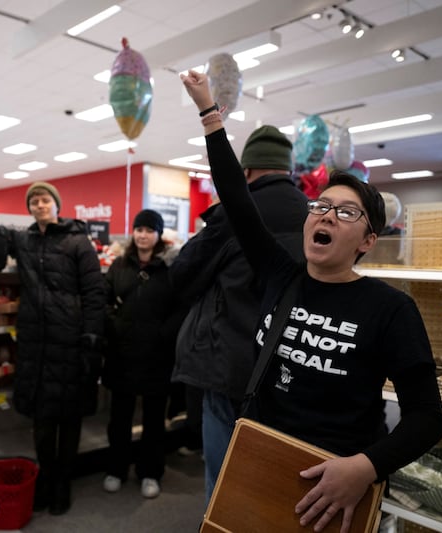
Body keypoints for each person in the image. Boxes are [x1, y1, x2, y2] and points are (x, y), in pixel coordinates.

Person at [181, 70, 442, 533]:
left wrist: (366, 467)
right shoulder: (281, 275)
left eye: (346, 212)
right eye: (320, 206)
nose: (326, 215)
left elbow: (426, 418)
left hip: (338, 481)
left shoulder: (389, 309)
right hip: (262, 458)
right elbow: (238, 200)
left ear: (367, 240)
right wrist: (209, 113)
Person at [170, 124, 308, 505]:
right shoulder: (314, 216)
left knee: (225, 481)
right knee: (276, 485)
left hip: (229, 362)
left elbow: (182, 274)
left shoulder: (235, 214)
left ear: (246, 170)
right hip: (290, 367)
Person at [0, 181, 106, 516]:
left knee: (69, 418)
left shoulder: (78, 241)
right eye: (34, 201)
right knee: (43, 420)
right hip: (36, 343)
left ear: (57, 204)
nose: (39, 205)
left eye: (45, 200)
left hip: (72, 341)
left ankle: (63, 483)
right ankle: (46, 481)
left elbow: (94, 293)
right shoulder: (25, 239)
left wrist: (92, 335)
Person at [101, 209, 183, 499]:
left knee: (153, 421)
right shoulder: (120, 265)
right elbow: (105, 300)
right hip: (122, 353)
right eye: (139, 229)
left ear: (159, 235)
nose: (143, 235)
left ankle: (150, 472)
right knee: (119, 418)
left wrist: (163, 333)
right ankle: (116, 468)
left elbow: (180, 308)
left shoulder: (172, 267)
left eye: (149, 230)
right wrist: (117, 326)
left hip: (157, 356)